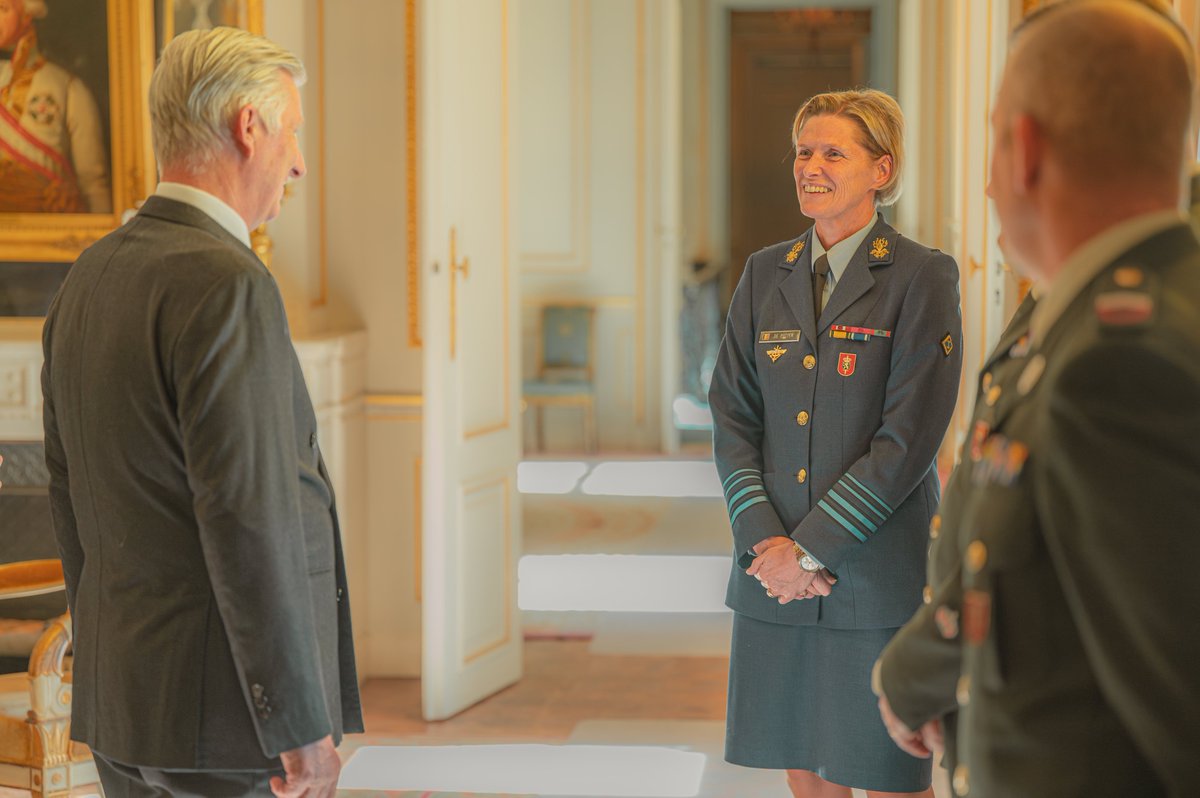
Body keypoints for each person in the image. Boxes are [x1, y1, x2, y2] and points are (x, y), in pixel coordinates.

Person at [882, 3, 1200, 796]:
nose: (987, 184)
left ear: (1022, 149)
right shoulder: (1095, 312)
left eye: (992, 140)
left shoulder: (1122, 368)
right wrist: (919, 669)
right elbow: (1025, 564)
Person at [42, 26, 361, 798]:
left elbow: (68, 494)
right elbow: (248, 518)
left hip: (125, 706)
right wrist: (295, 725)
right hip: (225, 723)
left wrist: (106, 666)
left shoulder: (88, 275)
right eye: (291, 132)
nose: (298, 162)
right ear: (248, 128)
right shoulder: (229, 284)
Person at [709, 88, 963, 798]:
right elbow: (732, 414)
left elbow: (909, 438)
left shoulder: (920, 275)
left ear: (881, 170)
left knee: (882, 771)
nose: (810, 166)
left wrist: (811, 549)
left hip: (874, 576)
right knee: (804, 769)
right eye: (802, 151)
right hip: (776, 575)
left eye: (833, 152)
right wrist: (768, 546)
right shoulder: (765, 273)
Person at [0, 0, 111, 213]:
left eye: (2, 9)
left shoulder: (67, 88)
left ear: (27, 15)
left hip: (48, 237)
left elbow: (94, 185)